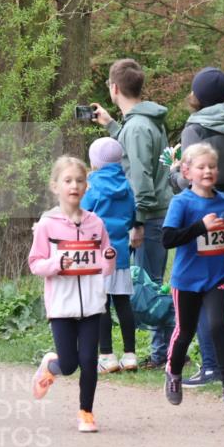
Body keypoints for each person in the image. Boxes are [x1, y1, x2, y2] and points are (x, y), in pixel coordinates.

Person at [168, 67, 224, 385]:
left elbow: (187, 179)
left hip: (205, 212)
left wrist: (173, 175)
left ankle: (210, 366)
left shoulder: (194, 130)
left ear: (197, 95)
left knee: (207, 290)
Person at [91, 59, 174, 369]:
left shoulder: (137, 127)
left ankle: (161, 353)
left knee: (149, 286)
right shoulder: (146, 121)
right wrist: (113, 126)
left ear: (114, 88)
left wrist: (136, 222)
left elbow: (138, 177)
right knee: (148, 283)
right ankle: (160, 349)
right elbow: (155, 161)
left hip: (149, 216)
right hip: (158, 211)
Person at [161, 143, 224, 409]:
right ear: (186, 171)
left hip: (220, 275)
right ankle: (174, 372)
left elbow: (222, 235)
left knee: (219, 325)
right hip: (188, 279)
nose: (208, 171)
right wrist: (199, 227)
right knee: (185, 331)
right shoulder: (181, 202)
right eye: (201, 167)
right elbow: (168, 239)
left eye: (212, 167)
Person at [29, 156, 116, 433]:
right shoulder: (47, 224)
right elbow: (35, 263)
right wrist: (56, 265)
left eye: (79, 181)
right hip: (61, 306)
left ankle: (86, 413)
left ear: (86, 186)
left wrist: (109, 258)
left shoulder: (96, 223)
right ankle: (51, 365)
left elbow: (105, 263)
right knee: (69, 365)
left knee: (90, 361)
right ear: (55, 186)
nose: (74, 186)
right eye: (67, 181)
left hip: (92, 304)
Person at [81, 137, 139, 373]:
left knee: (101, 304)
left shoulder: (92, 187)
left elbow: (81, 213)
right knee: (123, 303)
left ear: (95, 162)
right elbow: (133, 216)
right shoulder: (127, 186)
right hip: (121, 253)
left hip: (97, 254)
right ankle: (130, 355)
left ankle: (106, 355)